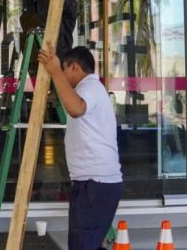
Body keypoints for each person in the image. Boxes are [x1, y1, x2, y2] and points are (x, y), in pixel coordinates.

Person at [37, 44, 122, 250]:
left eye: (65, 69)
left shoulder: (90, 87)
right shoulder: (89, 90)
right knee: (87, 244)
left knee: (83, 245)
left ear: (74, 67)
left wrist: (55, 71)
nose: (63, 75)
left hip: (95, 183)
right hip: (93, 183)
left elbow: (76, 109)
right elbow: (72, 102)